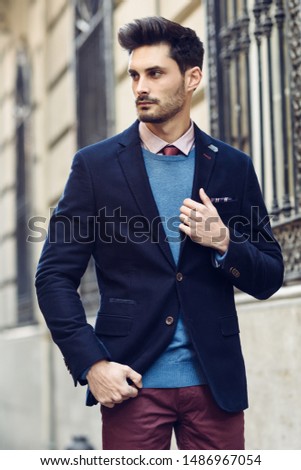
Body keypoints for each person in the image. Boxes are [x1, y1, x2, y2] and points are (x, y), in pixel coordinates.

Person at [35, 16, 284, 450]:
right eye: (134, 74)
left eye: (154, 73)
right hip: (131, 383)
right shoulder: (95, 168)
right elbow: (53, 276)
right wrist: (92, 364)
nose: (139, 87)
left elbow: (270, 276)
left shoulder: (232, 166)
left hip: (215, 387)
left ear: (192, 78)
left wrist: (225, 243)